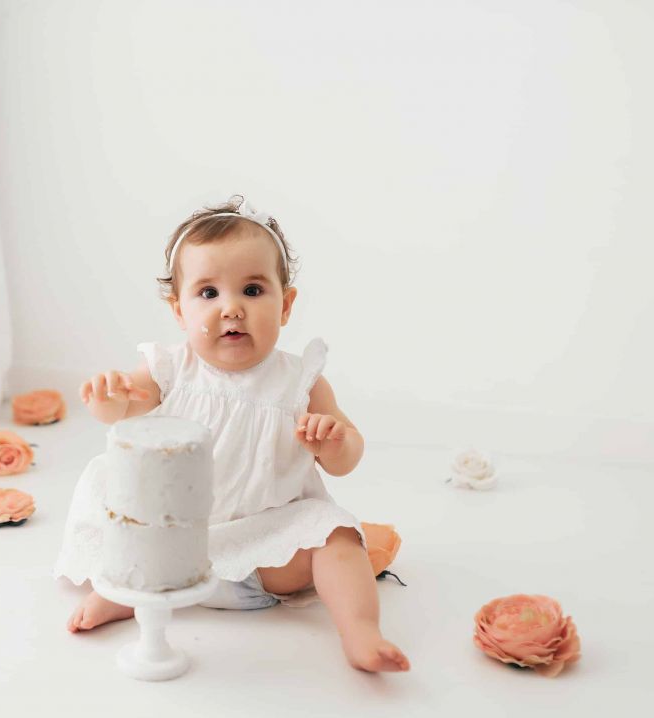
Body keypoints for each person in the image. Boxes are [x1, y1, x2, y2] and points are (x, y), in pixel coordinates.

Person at [53, 195, 410, 673]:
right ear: (178, 310)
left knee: (338, 538)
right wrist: (110, 401)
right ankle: (128, 594)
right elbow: (128, 407)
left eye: (253, 290)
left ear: (286, 305)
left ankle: (361, 631)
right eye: (208, 293)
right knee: (124, 509)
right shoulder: (169, 368)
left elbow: (346, 460)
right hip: (171, 540)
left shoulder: (300, 380)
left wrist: (336, 441)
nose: (232, 309)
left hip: (265, 553)